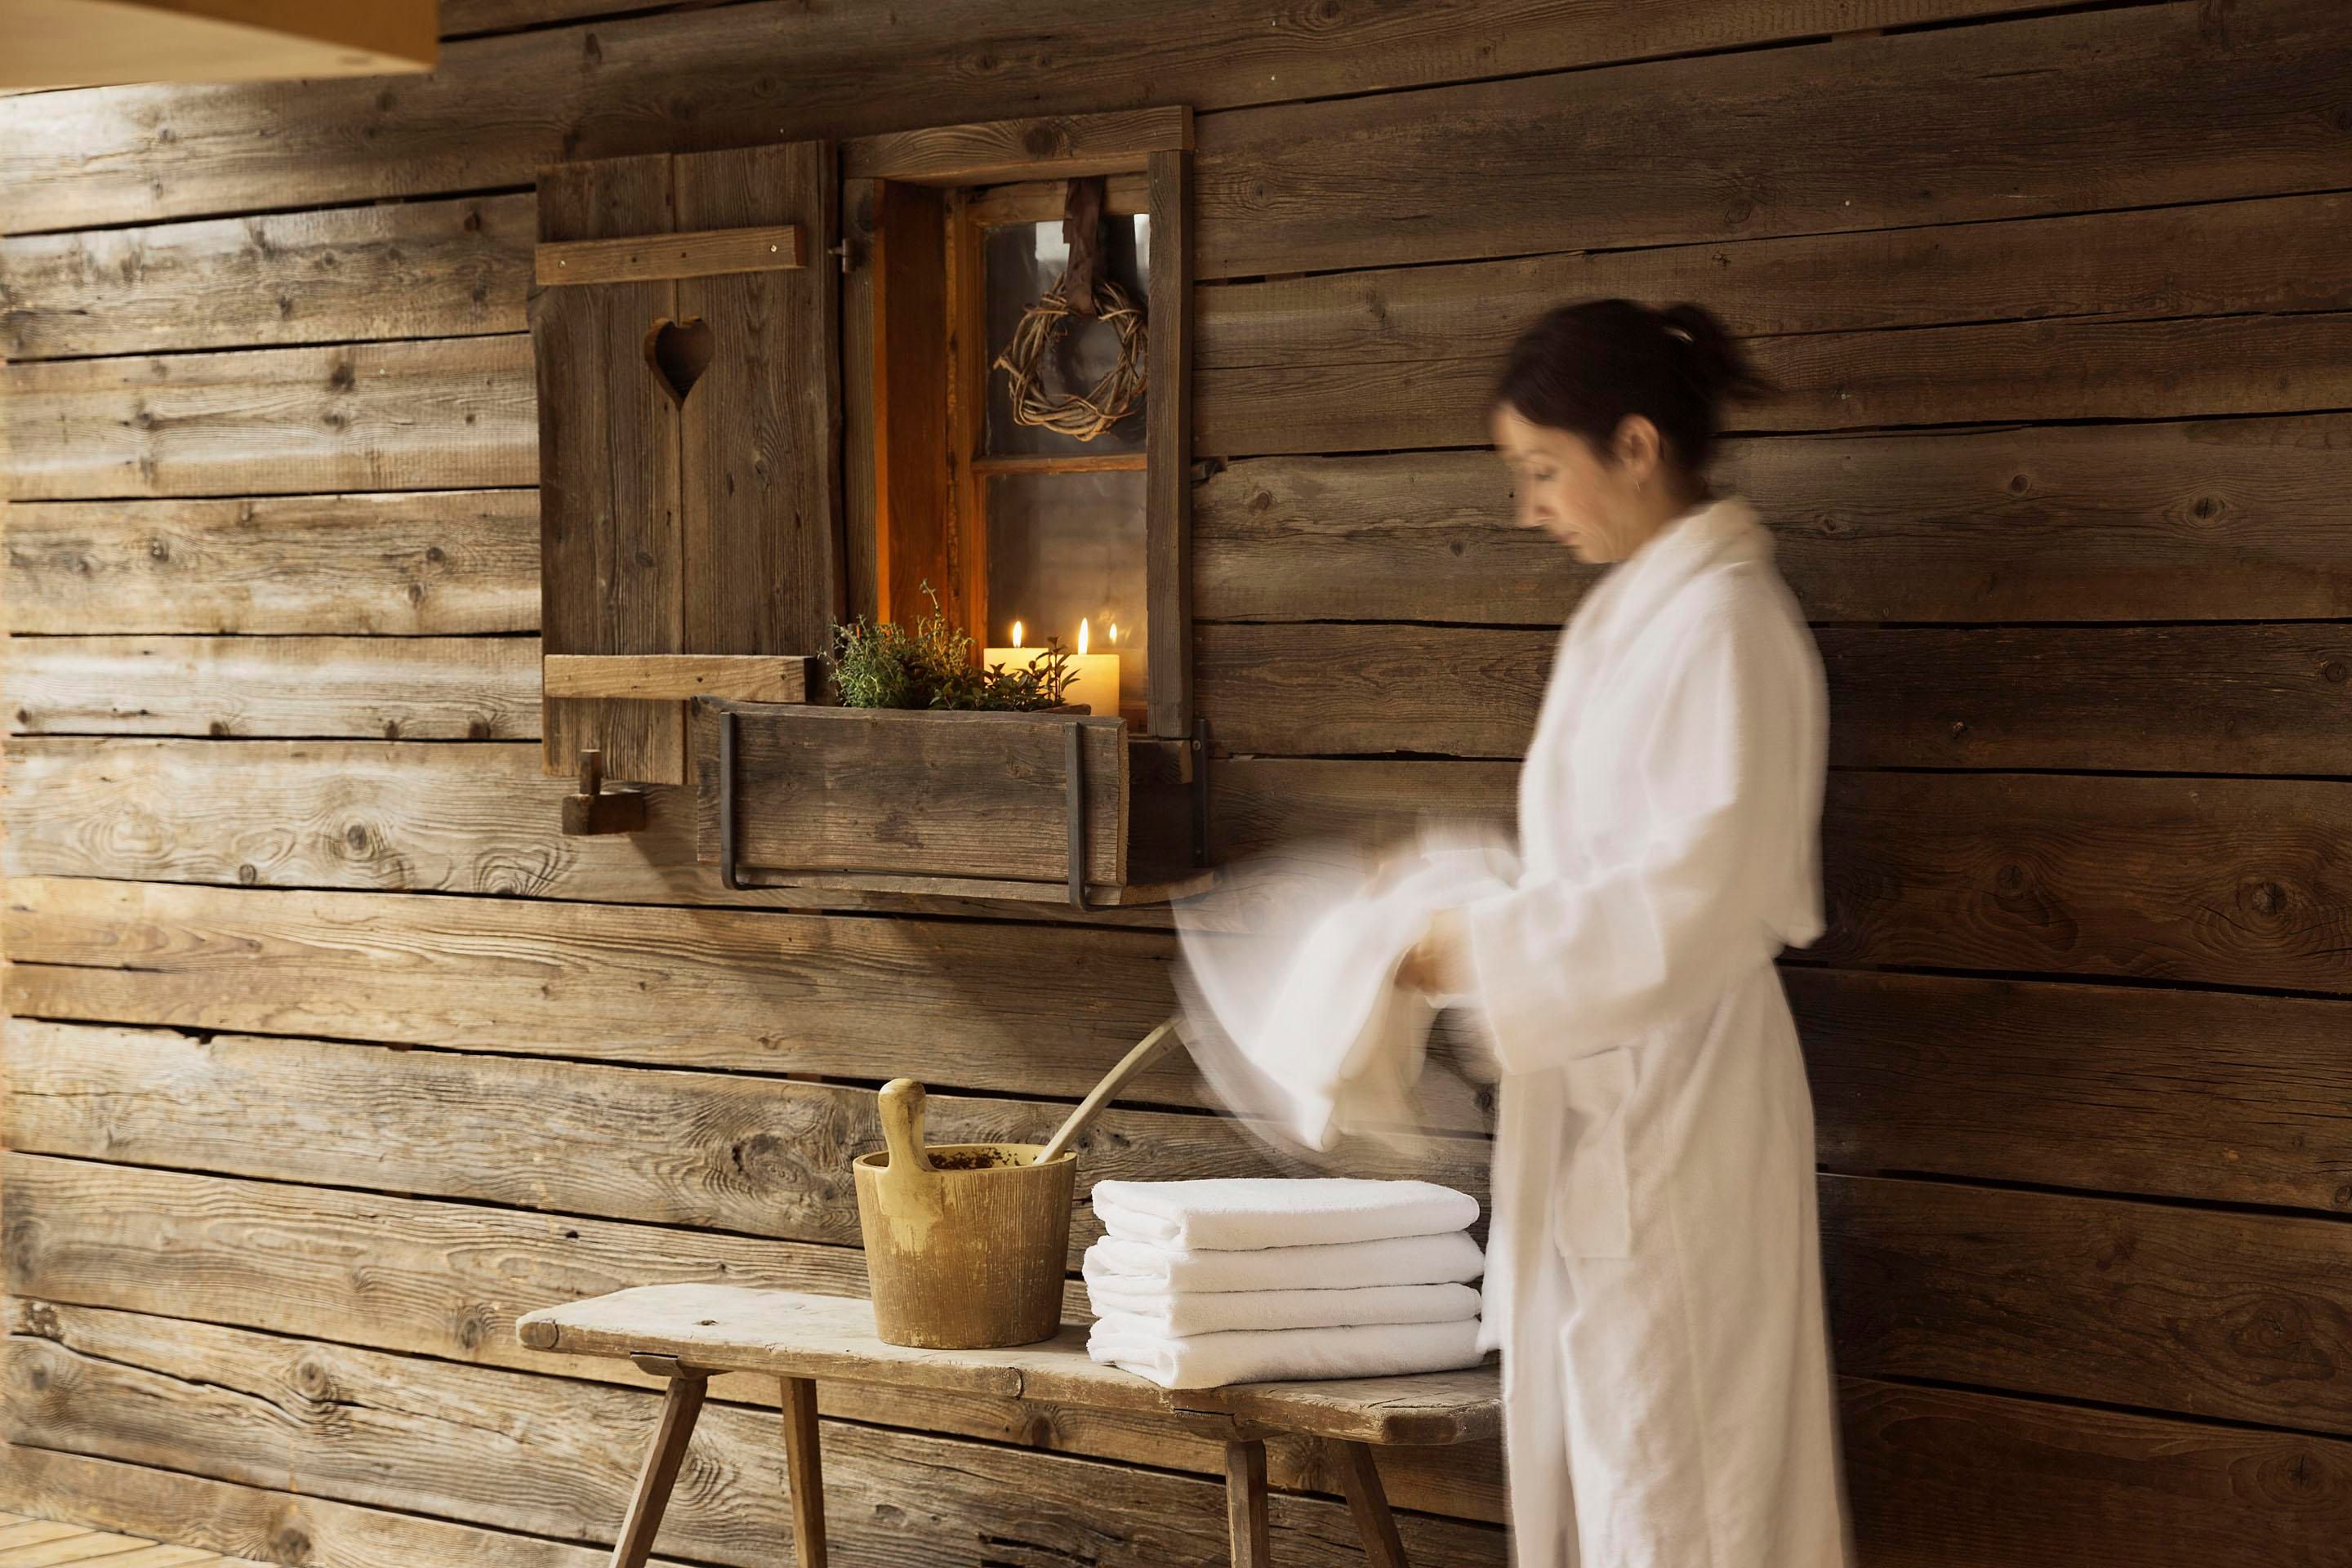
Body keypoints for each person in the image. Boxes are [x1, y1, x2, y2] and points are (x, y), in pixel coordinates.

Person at [1396, 299, 1851, 1568]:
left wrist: (1479, 946)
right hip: (1608, 1096)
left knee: (1687, 1469)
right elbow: (1598, 867)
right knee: (1622, 1459)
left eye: (1545, 470)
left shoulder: (1729, 625)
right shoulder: (1628, 617)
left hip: (1685, 1097)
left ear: (1636, 447)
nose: (1529, 507)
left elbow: (1703, 888)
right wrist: (1448, 899)